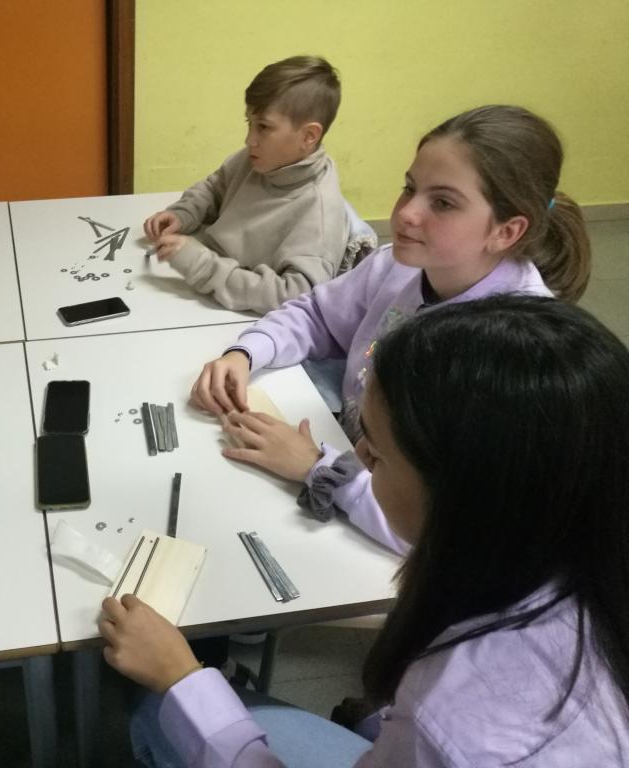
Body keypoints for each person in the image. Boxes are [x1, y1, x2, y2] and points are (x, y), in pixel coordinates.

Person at [101, 295, 629, 766]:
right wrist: (317, 469)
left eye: (374, 451)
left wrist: (183, 681)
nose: (357, 455)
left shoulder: (455, 724)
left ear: (464, 498)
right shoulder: (568, 530)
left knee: (154, 712)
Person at [190, 104, 591, 555]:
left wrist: (319, 469)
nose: (405, 214)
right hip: (352, 453)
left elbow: (448, 533)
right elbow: (319, 314)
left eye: (443, 202)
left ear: (506, 231)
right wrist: (247, 353)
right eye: (410, 188)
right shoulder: (403, 264)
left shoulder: (511, 358)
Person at [143, 56, 350, 314]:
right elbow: (214, 187)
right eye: (249, 123)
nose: (249, 140)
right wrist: (184, 213)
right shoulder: (260, 159)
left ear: (309, 136)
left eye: (263, 127)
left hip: (241, 313)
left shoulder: (318, 212)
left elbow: (297, 297)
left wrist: (203, 266)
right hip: (207, 282)